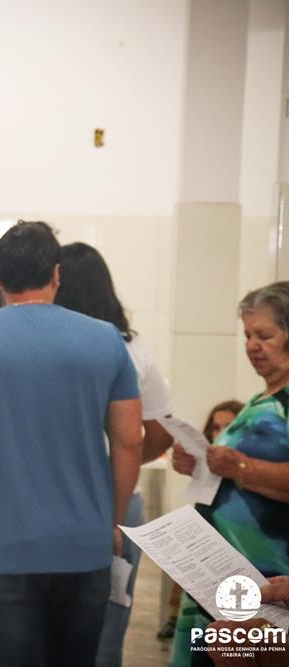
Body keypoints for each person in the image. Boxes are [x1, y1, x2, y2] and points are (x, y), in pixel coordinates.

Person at [0, 221, 143, 667]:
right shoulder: (105, 340)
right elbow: (129, 441)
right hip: (85, 542)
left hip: (1, 545)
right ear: (56, 273)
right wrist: (113, 522)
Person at [54, 242, 175, 666]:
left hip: (59, 498)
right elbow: (160, 432)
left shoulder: (46, 349)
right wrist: (119, 465)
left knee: (48, 626)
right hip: (123, 502)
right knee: (107, 632)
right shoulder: (133, 348)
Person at [169, 281, 289, 666]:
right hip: (223, 574)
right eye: (248, 335)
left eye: (264, 336)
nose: (252, 345)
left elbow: (246, 469)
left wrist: (240, 467)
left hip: (270, 577)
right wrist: (201, 465)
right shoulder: (259, 401)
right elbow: (235, 473)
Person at [159, 400, 245, 642]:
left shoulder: (248, 473)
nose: (221, 434)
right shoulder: (208, 469)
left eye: (229, 426)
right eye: (216, 428)